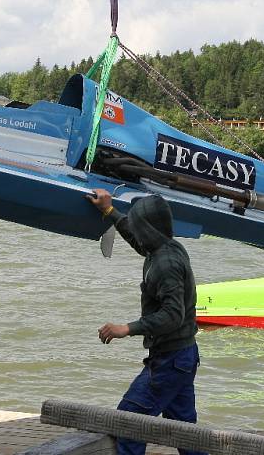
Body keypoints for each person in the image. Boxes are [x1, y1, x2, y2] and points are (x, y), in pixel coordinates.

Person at [87, 189, 205, 455]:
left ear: (149, 230)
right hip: (184, 356)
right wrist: (109, 210)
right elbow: (136, 237)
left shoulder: (165, 264)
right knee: (186, 433)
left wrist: (127, 328)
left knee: (129, 423)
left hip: (170, 361)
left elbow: (173, 315)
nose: (137, 232)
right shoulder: (167, 246)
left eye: (139, 226)